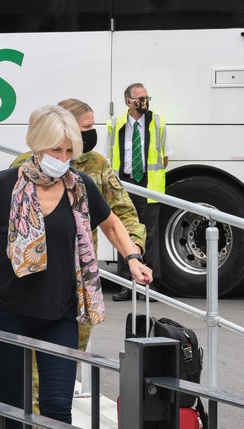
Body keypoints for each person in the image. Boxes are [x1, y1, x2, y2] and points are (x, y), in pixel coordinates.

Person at [0, 105, 152, 429]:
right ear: (38, 145)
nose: (63, 158)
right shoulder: (5, 184)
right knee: (8, 410)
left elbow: (112, 223)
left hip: (59, 315)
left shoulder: (78, 187)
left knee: (56, 409)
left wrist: (132, 258)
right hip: (7, 314)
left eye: (69, 152)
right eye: (57, 150)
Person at [107, 83, 171, 301]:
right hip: (123, 186)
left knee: (150, 236)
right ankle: (127, 284)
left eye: (147, 97)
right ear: (128, 101)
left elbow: (165, 158)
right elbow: (110, 155)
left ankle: (151, 286)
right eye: (140, 98)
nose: (145, 101)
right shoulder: (116, 124)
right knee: (123, 233)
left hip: (148, 186)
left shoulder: (158, 122)